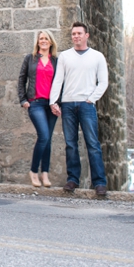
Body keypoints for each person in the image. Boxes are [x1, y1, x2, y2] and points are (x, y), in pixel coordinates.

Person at [49, 22, 108, 196]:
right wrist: (54, 101)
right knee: (70, 144)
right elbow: (58, 80)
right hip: (67, 104)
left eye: (79, 33)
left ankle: (99, 183)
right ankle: (73, 179)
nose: (76, 36)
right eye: (73, 34)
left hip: (86, 105)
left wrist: (91, 99)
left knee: (93, 144)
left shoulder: (97, 57)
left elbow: (103, 82)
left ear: (86, 35)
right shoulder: (65, 56)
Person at [18, 30, 62, 187]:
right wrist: (23, 99)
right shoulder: (30, 59)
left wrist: (59, 103)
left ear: (51, 42)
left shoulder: (56, 61)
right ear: (37, 42)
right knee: (43, 136)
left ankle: (45, 174)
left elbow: (61, 83)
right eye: (41, 38)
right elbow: (22, 78)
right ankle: (34, 171)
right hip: (35, 103)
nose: (43, 41)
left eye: (46, 38)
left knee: (48, 140)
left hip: (51, 104)